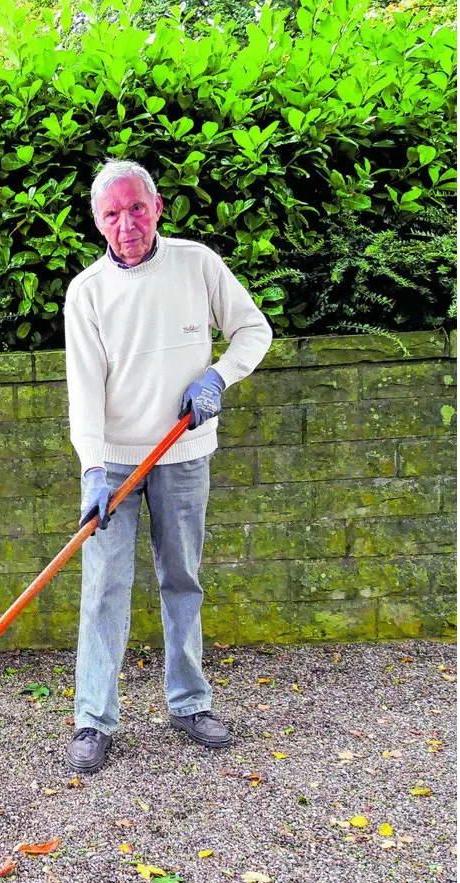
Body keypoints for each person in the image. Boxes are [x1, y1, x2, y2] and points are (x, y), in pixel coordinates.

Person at [62, 159, 274, 773]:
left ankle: (189, 703)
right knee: (103, 588)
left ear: (156, 206)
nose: (124, 223)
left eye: (135, 208)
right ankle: (93, 719)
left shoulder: (197, 263)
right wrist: (93, 469)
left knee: (182, 578)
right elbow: (84, 389)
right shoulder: (88, 292)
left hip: (183, 454)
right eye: (110, 213)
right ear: (97, 221)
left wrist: (216, 376)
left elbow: (252, 332)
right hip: (116, 466)